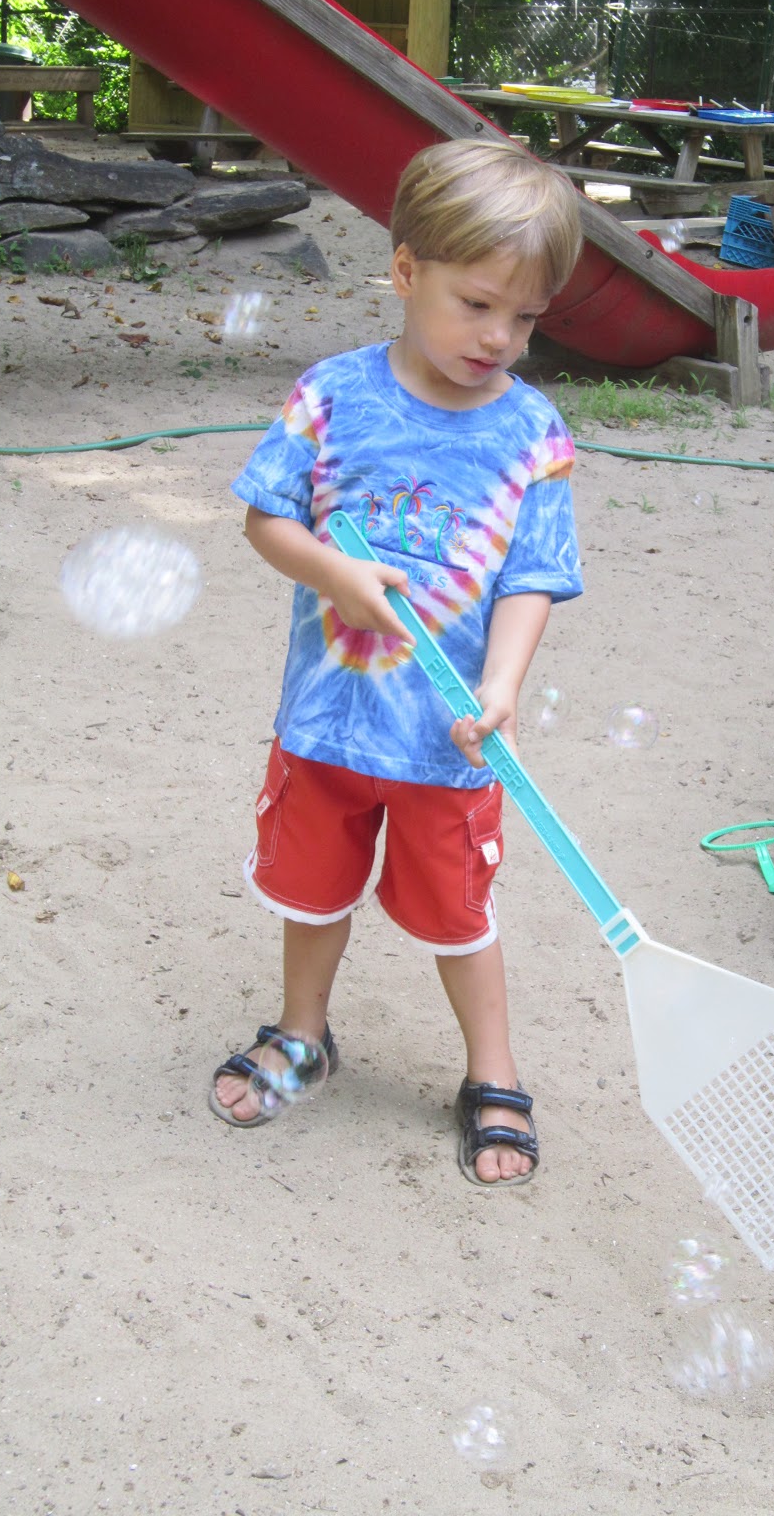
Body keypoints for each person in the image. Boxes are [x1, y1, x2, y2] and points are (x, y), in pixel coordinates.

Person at [209, 138, 584, 1187]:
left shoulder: (534, 430)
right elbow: (265, 520)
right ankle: (302, 1034)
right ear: (407, 270)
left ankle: (493, 1070)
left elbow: (533, 575)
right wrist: (333, 573)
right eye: (478, 304)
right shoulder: (332, 396)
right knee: (312, 894)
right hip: (327, 724)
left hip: (453, 743)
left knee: (459, 915)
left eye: (526, 318)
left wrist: (503, 685)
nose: (500, 336)